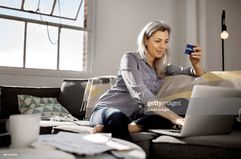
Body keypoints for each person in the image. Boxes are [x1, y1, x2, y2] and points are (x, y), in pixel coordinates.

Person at [89, 20, 205, 141]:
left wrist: (195, 64)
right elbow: (141, 94)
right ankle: (126, 150)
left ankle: (111, 129)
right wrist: (175, 118)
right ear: (146, 40)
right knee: (118, 118)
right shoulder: (130, 58)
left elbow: (195, 73)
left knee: (174, 113)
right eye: (158, 41)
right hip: (107, 110)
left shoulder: (163, 68)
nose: (163, 47)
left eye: (166, 42)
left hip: (133, 118)